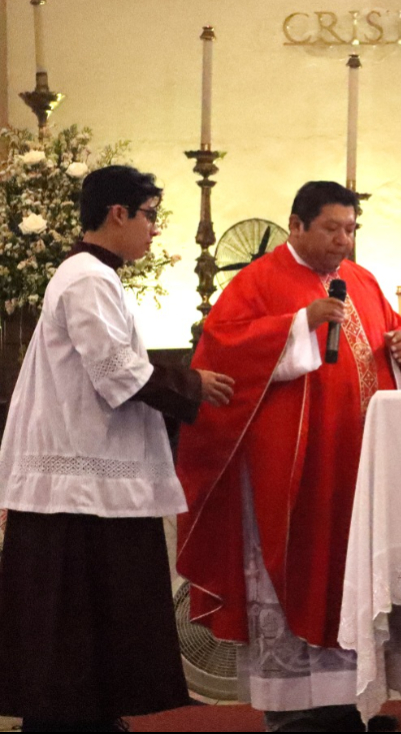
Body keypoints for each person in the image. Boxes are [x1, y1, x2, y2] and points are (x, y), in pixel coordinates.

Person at [175, 181, 401, 733]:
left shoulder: (361, 281)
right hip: (287, 471)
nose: (343, 240)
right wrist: (298, 324)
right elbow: (224, 351)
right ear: (296, 225)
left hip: (354, 465)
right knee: (292, 577)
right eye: (332, 228)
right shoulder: (257, 282)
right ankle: (290, 711)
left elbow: (391, 342)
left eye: (351, 229)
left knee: (347, 576)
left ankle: (348, 701)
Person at [0, 165, 234, 732]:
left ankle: (98, 717)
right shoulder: (86, 279)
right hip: (76, 491)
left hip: (90, 487)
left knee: (96, 623)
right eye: (149, 215)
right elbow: (114, 370)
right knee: (74, 625)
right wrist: (192, 385)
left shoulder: (94, 277)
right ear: (117, 214)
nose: (154, 230)